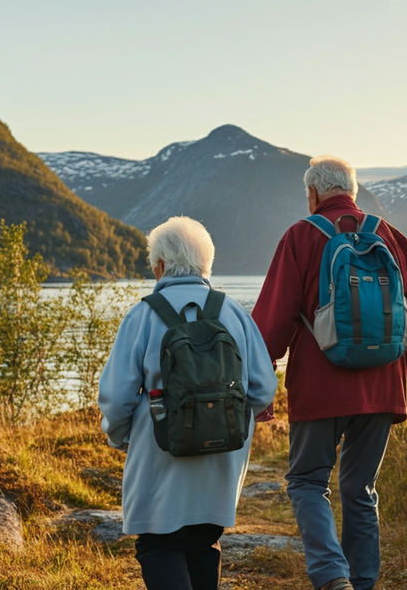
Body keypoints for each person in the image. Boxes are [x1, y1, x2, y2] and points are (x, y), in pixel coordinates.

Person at [253, 156, 407, 590]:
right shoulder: (389, 235)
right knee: (360, 489)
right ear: (352, 192)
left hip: (319, 386)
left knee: (307, 482)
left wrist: (261, 384)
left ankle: (332, 577)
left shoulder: (301, 236)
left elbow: (272, 321)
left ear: (313, 194)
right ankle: (362, 581)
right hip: (382, 386)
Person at [99, 216, 277, 590]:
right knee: (204, 544)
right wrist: (231, 424)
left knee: (159, 545)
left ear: (161, 265)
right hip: (222, 455)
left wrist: (121, 438)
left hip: (160, 450)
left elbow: (116, 398)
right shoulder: (234, 313)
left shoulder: (143, 314)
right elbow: (263, 389)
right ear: (205, 264)